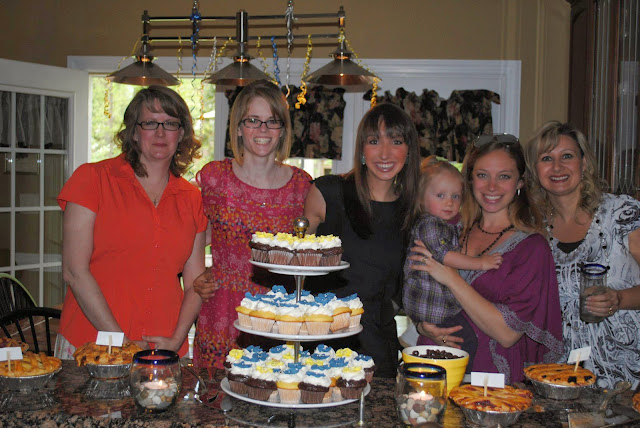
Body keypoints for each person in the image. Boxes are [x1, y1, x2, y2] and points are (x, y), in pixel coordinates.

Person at [55, 86, 207, 358]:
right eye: (150, 123)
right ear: (134, 132)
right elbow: (74, 272)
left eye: (170, 124)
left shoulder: (192, 198)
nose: (160, 133)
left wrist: (177, 338)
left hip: (164, 348)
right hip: (92, 343)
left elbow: (195, 282)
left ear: (181, 133)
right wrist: (121, 342)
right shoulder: (92, 179)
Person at [410, 134, 564, 384]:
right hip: (431, 366)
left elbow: (507, 334)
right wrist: (421, 325)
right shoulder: (446, 228)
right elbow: (414, 284)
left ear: (520, 181)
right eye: (482, 175)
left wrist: (451, 278)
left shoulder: (531, 248)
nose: (492, 187)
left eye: (504, 176)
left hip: (489, 380)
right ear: (470, 179)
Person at [193, 80, 312, 368]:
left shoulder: (302, 186)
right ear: (237, 128)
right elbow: (192, 239)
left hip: (279, 317)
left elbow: (312, 256)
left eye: (272, 121)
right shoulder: (214, 178)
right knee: (215, 395)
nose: (263, 130)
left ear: (283, 129)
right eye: (253, 120)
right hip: (221, 311)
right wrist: (195, 276)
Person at [303, 103, 421, 378]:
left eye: (396, 141)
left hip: (378, 347)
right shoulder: (328, 192)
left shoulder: (413, 211)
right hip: (322, 345)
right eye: (374, 141)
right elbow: (296, 263)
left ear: (409, 151)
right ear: (361, 150)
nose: (385, 153)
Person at [524, 121, 640, 389]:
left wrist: (619, 298)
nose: (557, 167)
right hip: (559, 377)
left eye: (567, 156)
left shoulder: (621, 214)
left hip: (628, 375)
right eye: (546, 159)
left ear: (584, 163)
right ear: (535, 170)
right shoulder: (531, 229)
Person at [402, 156, 502, 369]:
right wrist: (480, 263)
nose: (449, 202)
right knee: (465, 341)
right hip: (432, 305)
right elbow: (445, 257)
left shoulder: (447, 224)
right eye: (440, 195)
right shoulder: (430, 225)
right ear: (421, 198)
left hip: (436, 305)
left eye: (455, 196)